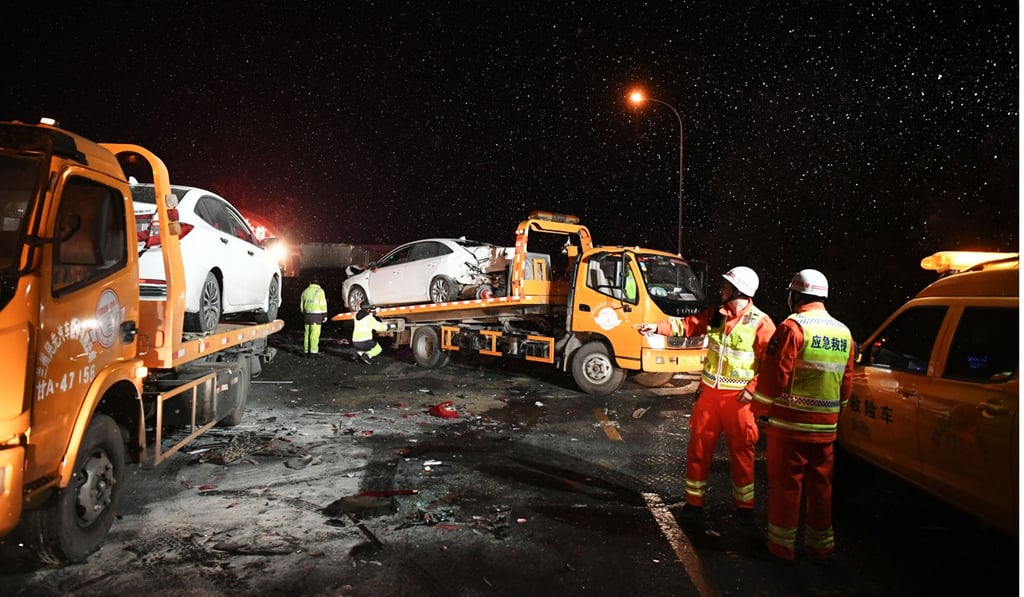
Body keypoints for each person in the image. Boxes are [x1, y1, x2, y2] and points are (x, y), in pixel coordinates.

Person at [636, 266, 776, 525]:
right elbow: (688, 325)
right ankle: (693, 504)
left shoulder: (761, 323)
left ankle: (744, 508)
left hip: (739, 401)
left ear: (738, 291)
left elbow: (772, 365)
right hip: (710, 396)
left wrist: (753, 390)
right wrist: (656, 327)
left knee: (742, 454)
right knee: (698, 449)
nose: (720, 289)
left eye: (726, 285)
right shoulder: (717, 315)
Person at [751, 269, 854, 564]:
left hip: (790, 427)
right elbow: (846, 381)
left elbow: (775, 374)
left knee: (787, 485)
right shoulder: (842, 331)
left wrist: (759, 409)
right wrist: (838, 412)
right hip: (826, 429)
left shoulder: (792, 327)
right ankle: (820, 547)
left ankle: (782, 548)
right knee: (821, 487)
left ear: (796, 295)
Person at [299, 277, 328, 356]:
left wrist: (304, 313)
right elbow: (323, 304)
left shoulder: (305, 291)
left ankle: (305, 350)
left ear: (310, 283)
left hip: (307, 315)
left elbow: (301, 305)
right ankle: (313, 352)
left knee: (307, 334)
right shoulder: (320, 291)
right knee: (314, 335)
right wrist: (324, 315)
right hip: (316, 316)